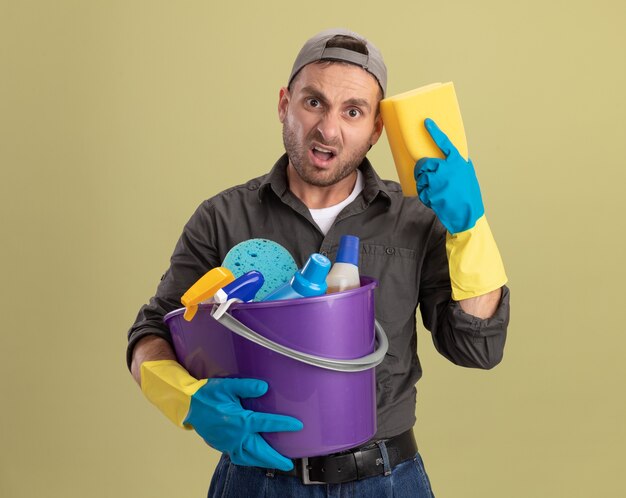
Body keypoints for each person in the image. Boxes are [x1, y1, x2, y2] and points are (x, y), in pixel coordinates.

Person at [127, 28, 510, 497]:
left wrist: (472, 227)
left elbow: (477, 349)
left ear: (375, 131)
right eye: (314, 103)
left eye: (353, 111)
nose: (328, 129)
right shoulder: (221, 218)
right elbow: (150, 334)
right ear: (284, 104)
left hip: (388, 481)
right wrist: (188, 399)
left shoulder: (416, 220)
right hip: (257, 480)